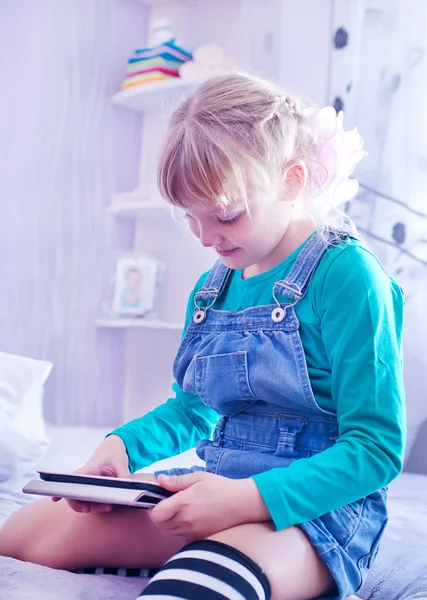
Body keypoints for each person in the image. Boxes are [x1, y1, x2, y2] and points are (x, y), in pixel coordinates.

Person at [0, 73, 405, 600]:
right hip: (215, 486)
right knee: (21, 535)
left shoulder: (349, 276)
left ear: (291, 180)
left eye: (226, 215)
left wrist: (248, 500)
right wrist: (119, 447)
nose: (208, 237)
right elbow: (194, 410)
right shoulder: (212, 288)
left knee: (197, 584)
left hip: (315, 517)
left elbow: (375, 449)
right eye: (190, 217)